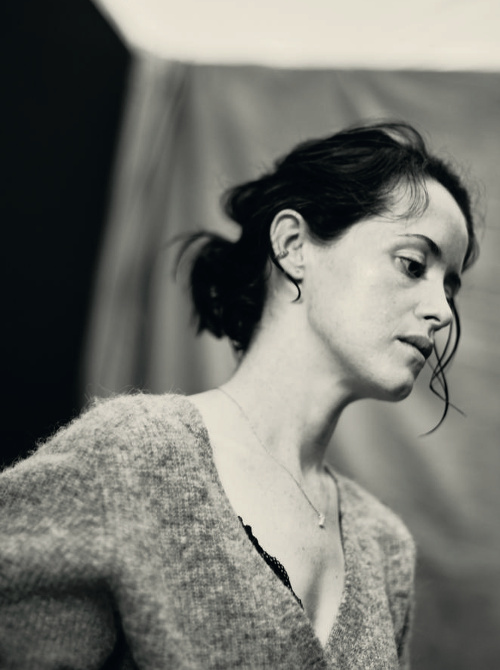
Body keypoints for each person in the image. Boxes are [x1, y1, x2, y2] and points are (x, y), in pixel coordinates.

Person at [0, 122, 479, 669]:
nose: (442, 311)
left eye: (449, 286)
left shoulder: (385, 546)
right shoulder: (132, 454)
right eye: (413, 265)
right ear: (293, 246)